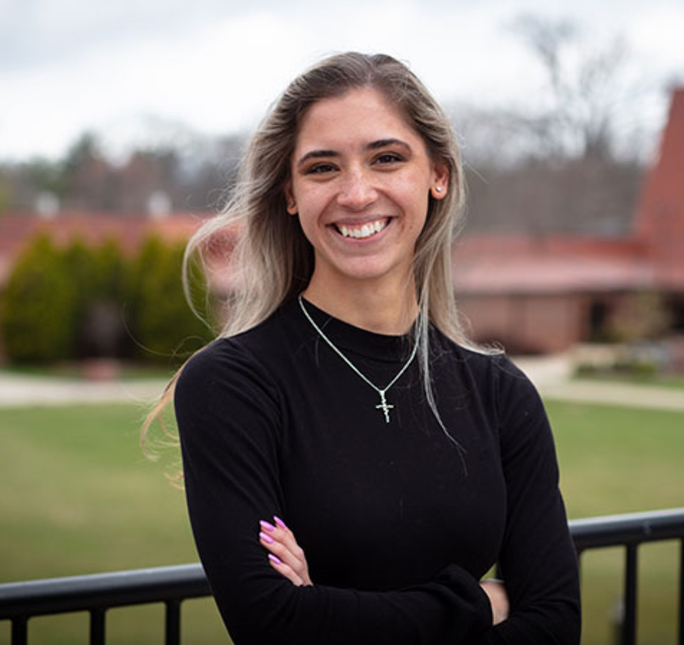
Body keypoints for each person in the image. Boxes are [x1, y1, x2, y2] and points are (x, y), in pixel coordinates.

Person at [150, 52, 580, 644]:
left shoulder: (500, 394)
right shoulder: (232, 385)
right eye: (323, 168)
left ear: (438, 175)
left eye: (387, 158)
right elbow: (273, 625)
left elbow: (556, 624)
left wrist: (328, 612)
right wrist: (476, 607)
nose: (356, 193)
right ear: (291, 194)